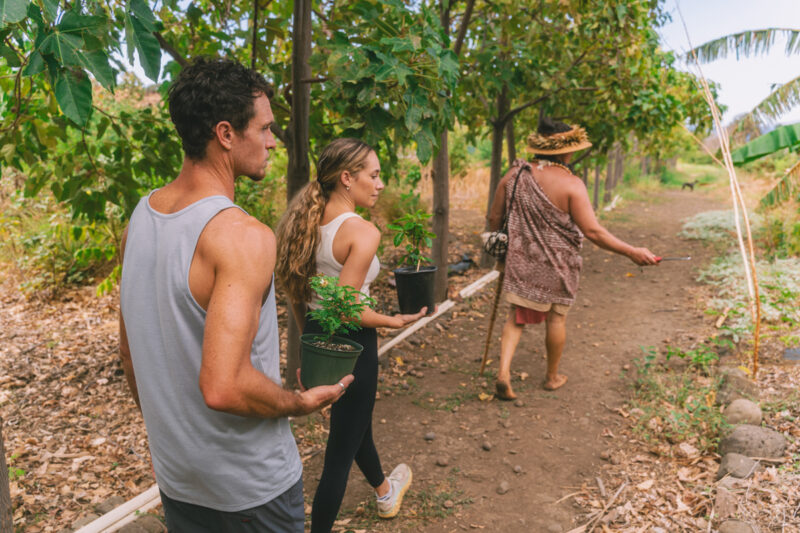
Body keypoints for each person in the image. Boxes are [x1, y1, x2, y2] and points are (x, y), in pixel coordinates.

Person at [118, 58, 351, 532]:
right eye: (264, 129)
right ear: (226, 134)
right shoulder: (243, 236)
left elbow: (130, 356)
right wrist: (298, 403)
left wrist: (178, 441)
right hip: (249, 488)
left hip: (179, 480)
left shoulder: (139, 220)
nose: (272, 141)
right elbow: (223, 386)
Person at [275, 138, 426, 532]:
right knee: (339, 452)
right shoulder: (362, 231)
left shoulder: (304, 223)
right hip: (354, 345)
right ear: (346, 178)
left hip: (319, 340)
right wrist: (393, 320)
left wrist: (309, 348)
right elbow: (350, 308)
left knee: (355, 425)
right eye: (373, 175)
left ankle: (384, 491)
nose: (380, 184)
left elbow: (299, 295)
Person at [487, 118, 659, 401]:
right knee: (555, 318)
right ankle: (552, 377)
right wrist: (632, 251)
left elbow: (494, 217)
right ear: (566, 151)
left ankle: (503, 373)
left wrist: (499, 245)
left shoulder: (514, 175)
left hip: (521, 260)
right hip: (559, 264)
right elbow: (592, 231)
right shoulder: (572, 184)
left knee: (515, 317)